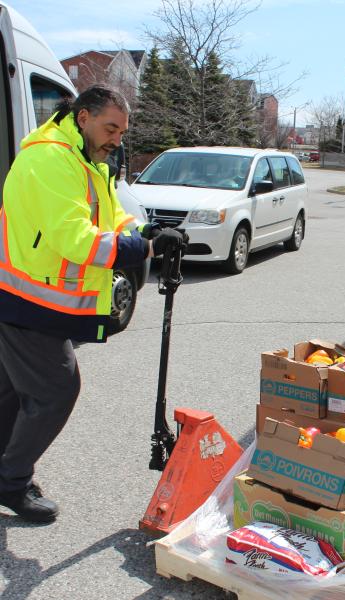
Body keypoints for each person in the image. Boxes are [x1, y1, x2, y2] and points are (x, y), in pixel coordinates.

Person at [0, 85, 185, 523]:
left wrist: (146, 231)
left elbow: (108, 218)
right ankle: (11, 482)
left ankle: (5, 472)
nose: (117, 139)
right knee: (54, 391)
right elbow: (74, 237)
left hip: (34, 297)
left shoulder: (86, 160)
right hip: (25, 298)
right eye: (110, 127)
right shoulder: (49, 159)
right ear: (83, 117)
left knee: (12, 392)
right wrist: (142, 250)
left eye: (122, 130)